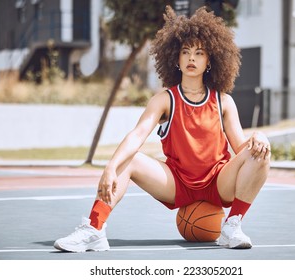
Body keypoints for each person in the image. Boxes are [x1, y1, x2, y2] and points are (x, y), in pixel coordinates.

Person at [54, 6, 270, 252]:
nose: (191, 58)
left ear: (210, 60)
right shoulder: (165, 100)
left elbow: (242, 148)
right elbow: (137, 135)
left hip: (218, 182)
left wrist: (260, 136)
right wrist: (111, 167)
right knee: (129, 160)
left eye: (199, 53)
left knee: (260, 151)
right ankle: (94, 229)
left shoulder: (223, 101)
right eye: (185, 52)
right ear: (175, 58)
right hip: (176, 182)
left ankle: (233, 224)